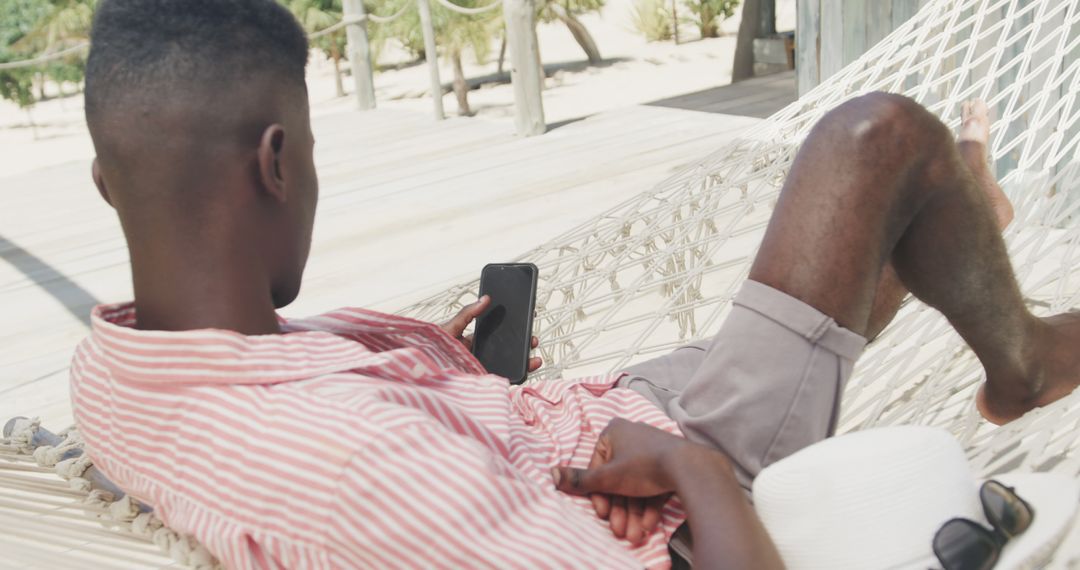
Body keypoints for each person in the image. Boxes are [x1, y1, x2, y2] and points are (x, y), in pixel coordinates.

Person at [71, 1, 1080, 569]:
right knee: (882, 138)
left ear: (105, 179)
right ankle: (1019, 353)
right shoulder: (355, 468)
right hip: (686, 471)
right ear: (277, 163)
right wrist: (698, 473)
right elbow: (380, 480)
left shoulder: (109, 366)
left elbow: (343, 429)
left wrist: (440, 376)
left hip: (591, 420)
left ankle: (944, 241)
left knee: (872, 205)